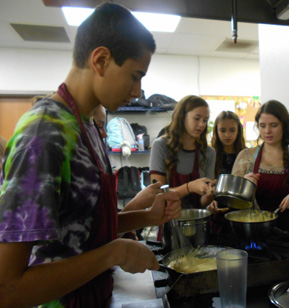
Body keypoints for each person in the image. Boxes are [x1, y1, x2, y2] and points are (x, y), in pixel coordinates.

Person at [0, 3, 181, 308]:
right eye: (135, 76)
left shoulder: (86, 127)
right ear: (101, 60)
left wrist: (147, 217)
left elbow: (79, 225)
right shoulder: (45, 134)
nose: (138, 91)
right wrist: (115, 253)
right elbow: (8, 288)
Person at [231, 100, 289, 241]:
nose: (267, 131)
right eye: (262, 126)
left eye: (273, 125)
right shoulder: (245, 157)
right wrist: (243, 187)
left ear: (284, 126)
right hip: (253, 233)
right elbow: (231, 205)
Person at [149, 95, 217, 209]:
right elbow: (157, 194)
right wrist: (190, 187)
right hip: (169, 221)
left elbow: (202, 202)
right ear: (182, 117)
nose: (201, 124)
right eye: (197, 118)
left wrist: (209, 196)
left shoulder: (209, 153)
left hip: (197, 221)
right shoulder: (160, 146)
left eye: (205, 120)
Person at [207, 111, 246, 233]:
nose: (227, 135)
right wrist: (209, 200)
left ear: (238, 131)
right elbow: (206, 183)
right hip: (216, 213)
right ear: (216, 131)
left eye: (232, 130)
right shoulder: (209, 154)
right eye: (223, 130)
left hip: (241, 215)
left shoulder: (246, 155)